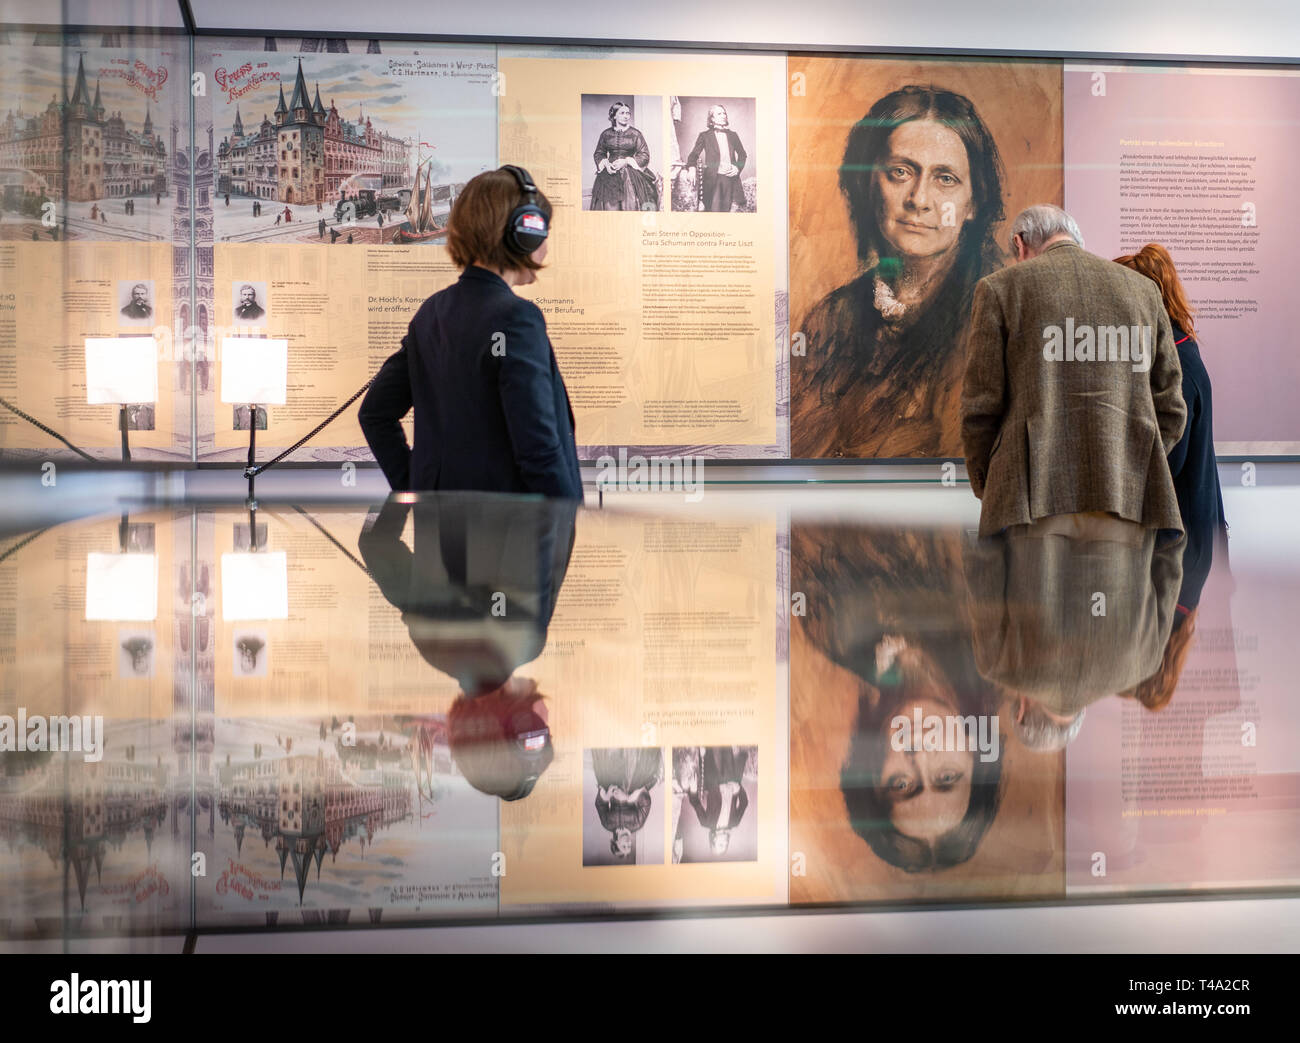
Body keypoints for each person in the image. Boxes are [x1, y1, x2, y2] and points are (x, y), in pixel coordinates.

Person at [791, 85, 1006, 459]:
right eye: (901, 172)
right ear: (870, 184)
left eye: (945, 179)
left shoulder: (997, 318)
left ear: (973, 203)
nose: (919, 199)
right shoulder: (829, 319)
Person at [961, 204, 1186, 537]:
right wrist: (1133, 463)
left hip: (1031, 503)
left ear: (1021, 245)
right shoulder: (1144, 291)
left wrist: (992, 485)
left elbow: (980, 410)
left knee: (1037, 588)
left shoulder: (999, 289)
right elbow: (1171, 407)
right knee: (1122, 587)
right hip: (1127, 503)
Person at [359, 165, 582, 499]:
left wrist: (417, 488)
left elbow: (375, 413)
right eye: (543, 230)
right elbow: (539, 448)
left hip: (438, 539)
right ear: (522, 233)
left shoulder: (430, 314)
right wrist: (568, 520)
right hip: (512, 540)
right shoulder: (517, 319)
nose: (546, 244)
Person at [357, 494, 577, 801]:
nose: (548, 715)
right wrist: (407, 483)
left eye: (543, 729)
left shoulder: (525, 641)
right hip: (437, 458)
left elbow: (547, 514)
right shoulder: (430, 644)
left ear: (521, 723)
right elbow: (371, 540)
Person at [592, 748, 663, 860]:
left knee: (605, 771)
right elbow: (646, 803)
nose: (628, 843)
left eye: (624, 846)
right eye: (629, 846)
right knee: (639, 765)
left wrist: (607, 796)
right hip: (633, 787)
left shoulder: (607, 824)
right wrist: (627, 798)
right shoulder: (637, 824)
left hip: (613, 786)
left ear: (615, 842)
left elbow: (600, 805)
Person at [590, 102, 659, 211]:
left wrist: (626, 161)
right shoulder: (606, 134)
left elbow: (644, 154)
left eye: (628, 113)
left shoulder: (635, 134)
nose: (626, 116)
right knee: (609, 208)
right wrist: (606, 164)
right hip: (609, 173)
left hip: (630, 174)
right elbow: (599, 153)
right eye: (622, 113)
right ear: (614, 115)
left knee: (631, 205)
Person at [680, 104, 746, 213]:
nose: (723, 115)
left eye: (724, 113)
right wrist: (691, 168)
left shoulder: (733, 135)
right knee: (713, 213)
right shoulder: (705, 136)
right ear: (712, 119)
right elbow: (693, 156)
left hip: (731, 180)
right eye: (719, 113)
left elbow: (743, 155)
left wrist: (737, 168)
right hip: (712, 181)